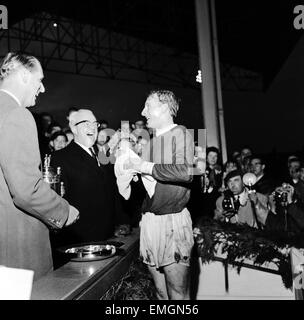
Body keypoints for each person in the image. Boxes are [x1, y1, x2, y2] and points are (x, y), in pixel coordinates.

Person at [0, 52, 79, 280]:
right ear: (24, 75)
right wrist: (64, 212)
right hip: (17, 252)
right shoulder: (17, 115)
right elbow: (26, 191)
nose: (42, 88)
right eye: (40, 80)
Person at [122, 90, 194, 300]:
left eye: (148, 106)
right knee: (161, 293)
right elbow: (150, 180)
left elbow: (186, 172)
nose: (143, 112)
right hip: (150, 220)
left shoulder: (180, 133)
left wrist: (144, 166)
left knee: (178, 294)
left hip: (172, 221)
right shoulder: (151, 142)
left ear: (164, 107)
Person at [50, 109, 121, 264]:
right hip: (79, 245)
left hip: (107, 239)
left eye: (95, 124)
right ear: (74, 128)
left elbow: (111, 190)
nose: (93, 128)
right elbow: (56, 202)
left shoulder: (101, 155)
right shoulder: (60, 158)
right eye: (86, 124)